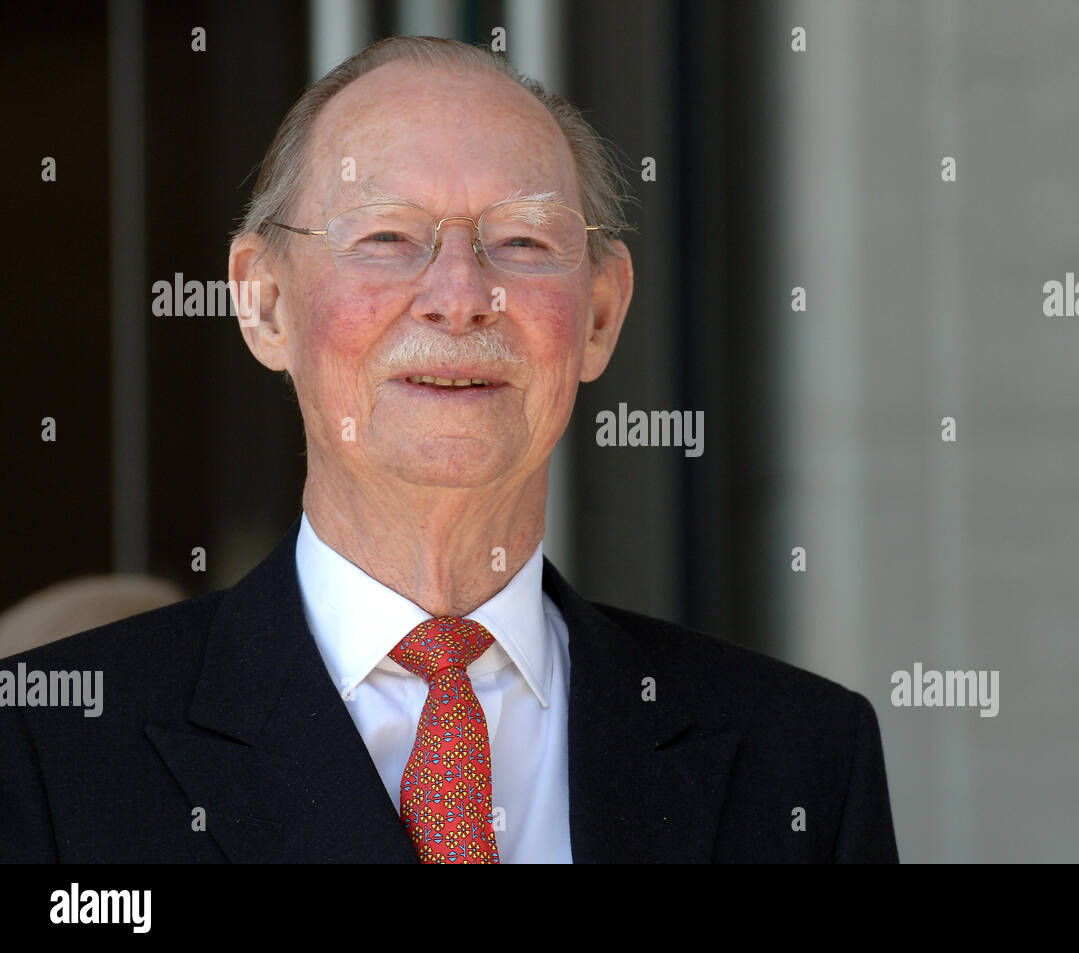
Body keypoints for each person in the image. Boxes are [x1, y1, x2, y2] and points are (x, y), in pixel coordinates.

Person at [0, 35, 898, 863]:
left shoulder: (804, 763)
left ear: (599, 314)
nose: (461, 295)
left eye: (522, 241)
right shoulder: (51, 756)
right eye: (387, 237)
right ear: (264, 303)